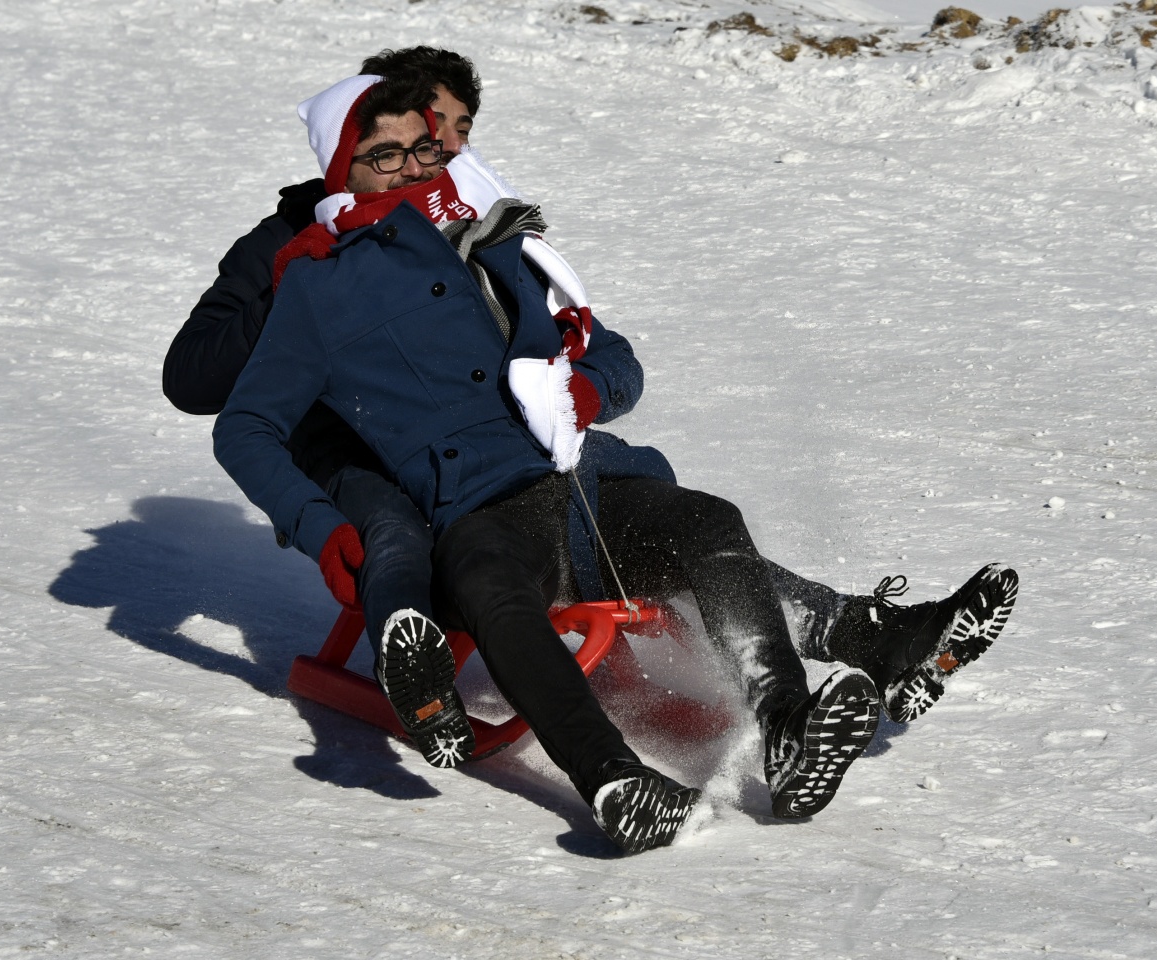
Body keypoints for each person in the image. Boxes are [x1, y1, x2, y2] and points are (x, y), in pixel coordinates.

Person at [163, 46, 1020, 731]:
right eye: (423, 131)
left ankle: (861, 640)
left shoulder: (473, 224)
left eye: (452, 132)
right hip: (391, 464)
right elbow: (195, 381)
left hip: (531, 456)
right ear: (353, 139)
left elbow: (597, 345)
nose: (446, 149)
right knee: (583, 527)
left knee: (664, 519)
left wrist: (579, 388)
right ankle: (853, 639)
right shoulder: (287, 247)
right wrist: (300, 287)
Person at [214, 72, 896, 852]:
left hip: (577, 488)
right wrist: (320, 525)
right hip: (467, 511)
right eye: (383, 154)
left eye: (423, 150)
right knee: (493, 591)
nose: (411, 168)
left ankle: (787, 721)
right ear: (341, 165)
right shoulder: (315, 283)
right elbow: (245, 428)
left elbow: (588, 346)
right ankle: (610, 778)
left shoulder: (487, 236)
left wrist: (580, 385)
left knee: (709, 520)